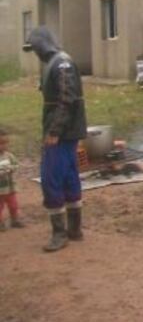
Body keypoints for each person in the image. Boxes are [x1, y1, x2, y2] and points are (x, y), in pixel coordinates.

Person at [23, 27, 87, 252]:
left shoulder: (61, 63)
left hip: (62, 133)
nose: (35, 52)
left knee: (51, 178)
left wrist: (54, 131)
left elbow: (65, 100)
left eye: (35, 47)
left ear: (43, 44)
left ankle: (60, 234)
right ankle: (75, 229)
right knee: (69, 177)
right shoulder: (58, 62)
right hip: (67, 132)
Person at [0, 127, 24, 230]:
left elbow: (16, 165)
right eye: (1, 143)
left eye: (5, 143)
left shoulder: (9, 156)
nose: (3, 146)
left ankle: (15, 220)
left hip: (10, 188)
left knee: (13, 205)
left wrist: (11, 168)